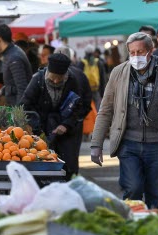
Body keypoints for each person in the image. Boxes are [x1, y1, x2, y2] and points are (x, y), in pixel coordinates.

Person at [90, 32, 158, 210]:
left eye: (140, 52)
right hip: (128, 143)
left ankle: (152, 232)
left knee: (155, 193)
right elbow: (106, 110)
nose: (136, 56)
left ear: (151, 51)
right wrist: (96, 144)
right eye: (132, 53)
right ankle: (133, 223)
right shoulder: (118, 73)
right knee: (132, 188)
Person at [20, 53, 83, 179]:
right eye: (53, 77)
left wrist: (66, 125)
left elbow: (78, 106)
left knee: (68, 164)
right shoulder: (38, 80)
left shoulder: (72, 80)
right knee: (44, 162)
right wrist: (34, 127)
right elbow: (25, 105)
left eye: (60, 78)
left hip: (66, 130)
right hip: (42, 129)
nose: (56, 81)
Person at [54, 46, 92, 175]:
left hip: (54, 125)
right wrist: (78, 119)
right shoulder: (79, 74)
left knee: (53, 159)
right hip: (74, 125)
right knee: (71, 159)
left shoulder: (44, 75)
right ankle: (70, 184)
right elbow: (86, 102)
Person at [0, 24, 33, 106]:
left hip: (18, 111)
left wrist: (18, 114)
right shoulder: (10, 53)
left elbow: (22, 88)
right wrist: (2, 91)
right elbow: (12, 83)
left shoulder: (14, 57)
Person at [78, 44, 106, 110]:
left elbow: (79, 78)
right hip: (96, 90)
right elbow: (102, 79)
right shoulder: (98, 62)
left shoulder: (81, 63)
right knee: (97, 108)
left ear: (85, 52)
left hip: (85, 91)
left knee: (87, 109)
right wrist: (103, 93)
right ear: (93, 52)